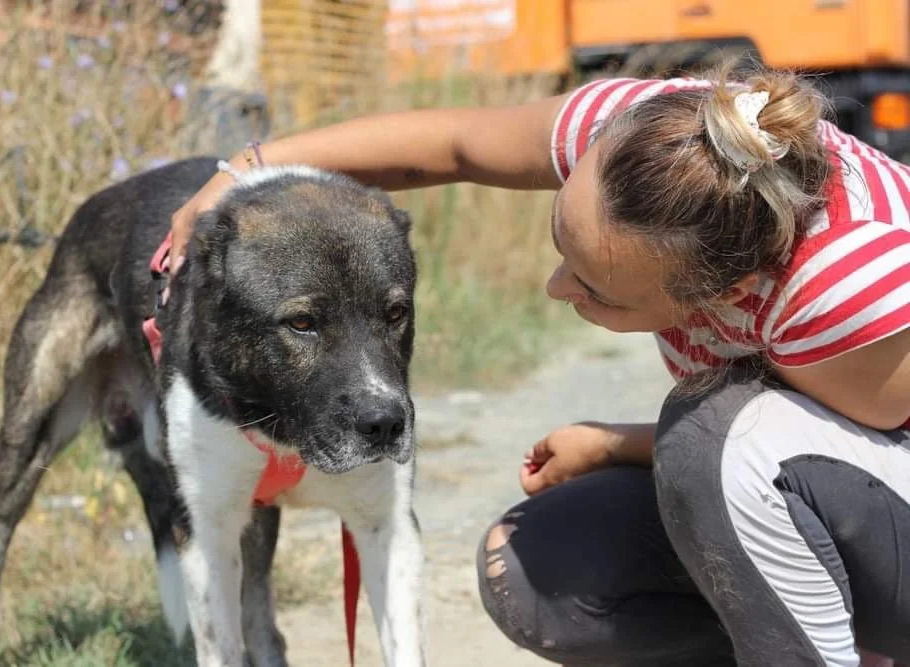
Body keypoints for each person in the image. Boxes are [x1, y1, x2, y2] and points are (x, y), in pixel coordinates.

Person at [166, 62, 910, 666]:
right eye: (562, 244)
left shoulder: (846, 286)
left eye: (596, 288)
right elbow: (453, 145)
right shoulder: (655, 139)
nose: (557, 287)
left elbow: (820, 464)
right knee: (531, 573)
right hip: (812, 477)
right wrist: (243, 170)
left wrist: (621, 444)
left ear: (727, 292)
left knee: (709, 435)